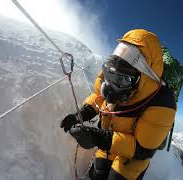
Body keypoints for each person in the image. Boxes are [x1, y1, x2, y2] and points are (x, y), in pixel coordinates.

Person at [60, 29, 176, 180]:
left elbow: (143, 150)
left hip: (134, 155)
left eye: (122, 80)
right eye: (110, 75)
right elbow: (99, 97)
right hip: (109, 142)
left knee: (117, 177)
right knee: (97, 174)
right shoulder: (114, 73)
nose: (110, 87)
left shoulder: (162, 103)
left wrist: (98, 138)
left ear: (142, 79)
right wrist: (81, 114)